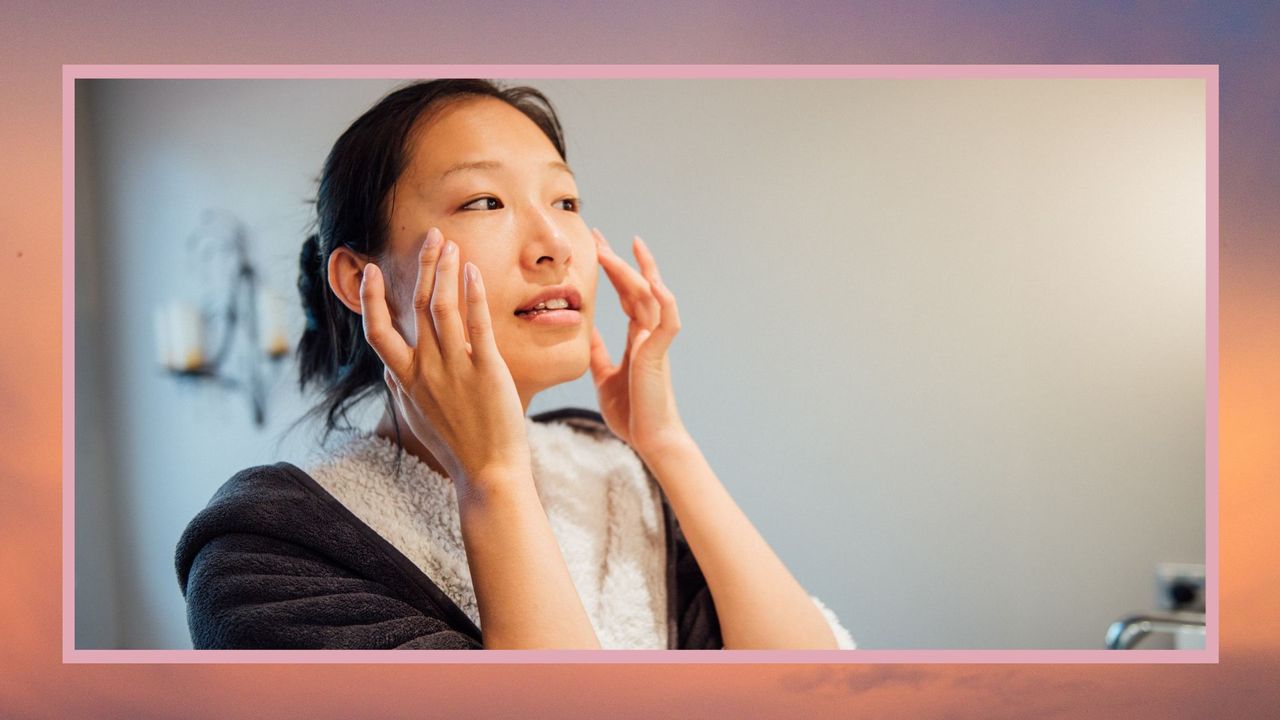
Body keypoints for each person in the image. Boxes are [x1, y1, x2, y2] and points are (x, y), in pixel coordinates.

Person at [175, 79, 856, 650]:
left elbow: (825, 693)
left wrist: (665, 444)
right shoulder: (263, 551)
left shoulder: (615, 472)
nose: (555, 244)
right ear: (359, 279)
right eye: (484, 202)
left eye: (565, 201)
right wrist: (493, 478)